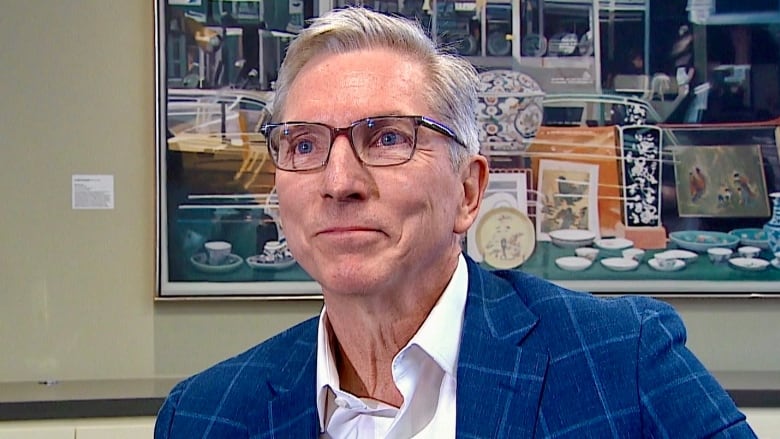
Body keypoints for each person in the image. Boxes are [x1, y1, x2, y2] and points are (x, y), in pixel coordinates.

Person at [155, 7, 756, 438]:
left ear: (468, 191)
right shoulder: (207, 415)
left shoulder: (620, 362)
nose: (339, 182)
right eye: (305, 146)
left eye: (387, 137)